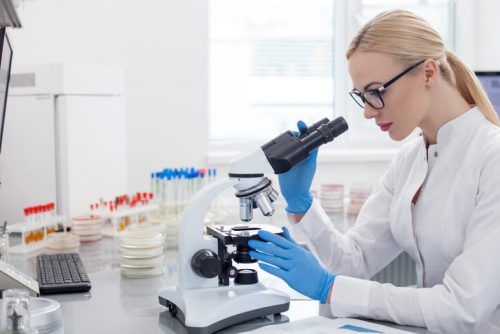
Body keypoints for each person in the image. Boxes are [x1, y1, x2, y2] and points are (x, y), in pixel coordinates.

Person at [248, 9, 500, 334]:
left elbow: (461, 308)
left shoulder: (492, 157)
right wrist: (301, 203)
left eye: (377, 91)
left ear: (427, 72)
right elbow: (353, 262)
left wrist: (330, 288)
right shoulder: (411, 159)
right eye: (362, 96)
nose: (368, 112)